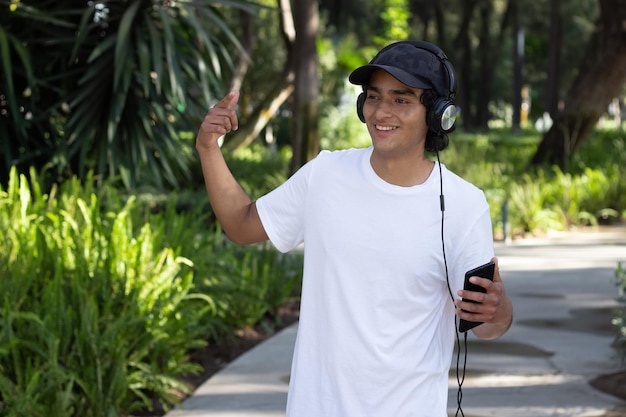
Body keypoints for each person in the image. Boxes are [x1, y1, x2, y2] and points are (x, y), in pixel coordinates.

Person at [195, 40, 513, 417]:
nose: (381, 111)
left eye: (401, 100)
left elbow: (487, 326)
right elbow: (241, 225)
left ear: (437, 115)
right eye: (374, 97)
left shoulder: (463, 204)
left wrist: (497, 309)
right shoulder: (325, 174)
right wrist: (208, 149)